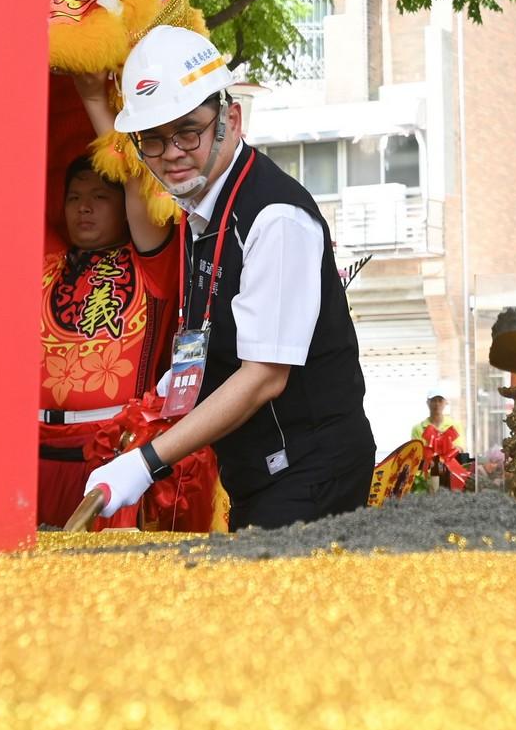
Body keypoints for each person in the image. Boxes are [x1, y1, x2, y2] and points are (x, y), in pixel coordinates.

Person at [83, 27, 376, 530]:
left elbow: (264, 376)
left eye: (188, 132)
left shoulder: (274, 217)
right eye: (152, 140)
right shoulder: (201, 210)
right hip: (259, 473)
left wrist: (146, 462)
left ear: (231, 119)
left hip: (310, 472)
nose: (171, 153)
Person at [37, 74, 175, 528]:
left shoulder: (150, 262)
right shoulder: (47, 259)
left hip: (108, 457)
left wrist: (94, 97)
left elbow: (138, 184)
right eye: (74, 197)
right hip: (30, 452)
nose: (84, 207)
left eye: (99, 196)